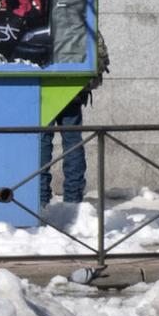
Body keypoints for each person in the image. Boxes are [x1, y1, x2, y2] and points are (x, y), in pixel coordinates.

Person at [42, 26, 109, 208]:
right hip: (72, 86)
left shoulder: (46, 17)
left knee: (42, 140)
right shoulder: (81, 18)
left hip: (44, 85)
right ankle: (73, 197)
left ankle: (40, 197)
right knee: (73, 141)